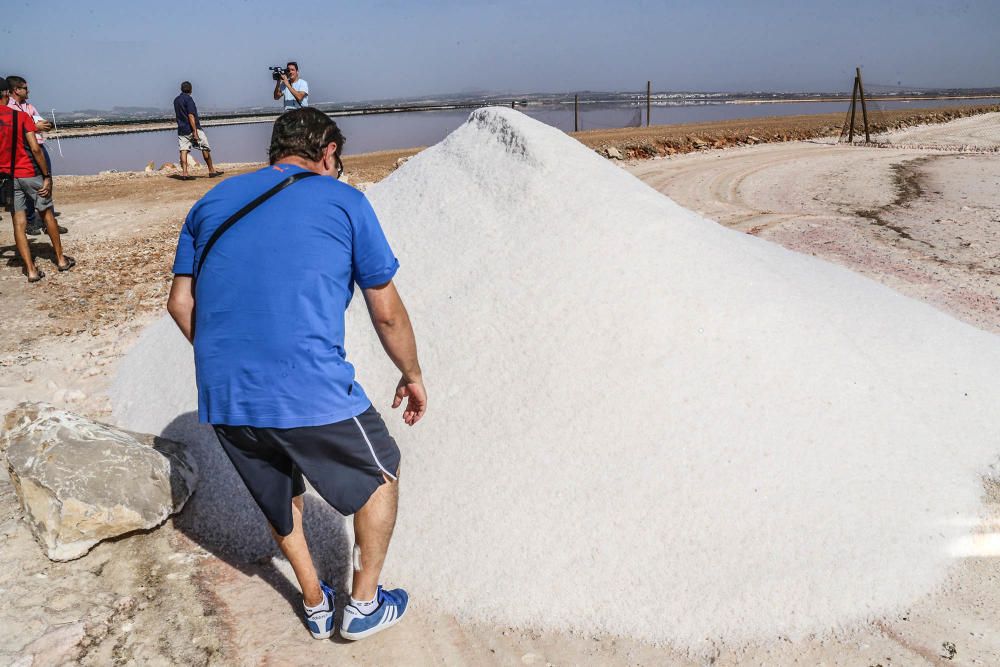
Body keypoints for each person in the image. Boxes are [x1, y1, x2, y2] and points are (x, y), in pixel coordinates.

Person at [166, 108, 425, 641]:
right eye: (340, 160)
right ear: (328, 151)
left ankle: (312, 601)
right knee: (382, 474)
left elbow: (179, 302)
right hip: (308, 385)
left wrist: (228, 355)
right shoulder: (346, 201)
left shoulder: (208, 202)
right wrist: (411, 372)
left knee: (277, 489)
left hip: (225, 392)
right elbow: (387, 311)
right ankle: (364, 605)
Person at [0, 78, 74, 282]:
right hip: (29, 171)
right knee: (47, 214)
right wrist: (47, 176)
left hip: (9, 177)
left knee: (18, 223)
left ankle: (31, 270)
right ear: (7, 93)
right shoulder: (20, 116)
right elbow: (35, 148)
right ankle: (60, 260)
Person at [6, 75, 65, 235]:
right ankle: (31, 221)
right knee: (27, 185)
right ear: (16, 90)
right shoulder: (8, 107)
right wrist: (34, 125)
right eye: (25, 87)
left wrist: (44, 125)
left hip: (38, 144)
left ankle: (49, 221)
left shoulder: (29, 106)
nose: (28, 90)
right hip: (23, 149)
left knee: (47, 182)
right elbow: (13, 128)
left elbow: (40, 124)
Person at [173, 81, 222, 180]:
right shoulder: (189, 99)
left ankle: (185, 173)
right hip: (193, 128)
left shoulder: (176, 100)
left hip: (182, 129)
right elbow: (191, 115)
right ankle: (211, 171)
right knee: (205, 147)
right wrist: (195, 131)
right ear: (190, 89)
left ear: (181, 89)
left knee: (183, 150)